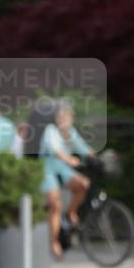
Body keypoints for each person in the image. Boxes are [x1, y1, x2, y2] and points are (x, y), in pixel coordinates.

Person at [39, 101, 94, 259]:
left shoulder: (71, 132)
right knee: (55, 205)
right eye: (60, 115)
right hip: (48, 168)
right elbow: (55, 150)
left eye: (66, 115)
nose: (63, 118)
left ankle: (71, 213)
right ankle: (54, 243)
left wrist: (96, 158)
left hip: (63, 169)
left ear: (71, 118)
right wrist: (70, 159)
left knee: (84, 184)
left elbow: (83, 148)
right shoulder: (50, 131)